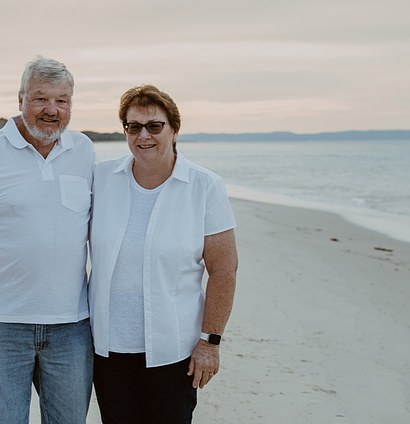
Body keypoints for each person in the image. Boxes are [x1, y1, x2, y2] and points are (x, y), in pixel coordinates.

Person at [0, 57, 95, 424]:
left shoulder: (85, 152)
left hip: (72, 328)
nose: (52, 110)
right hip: (0, 326)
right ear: (20, 99)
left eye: (62, 100)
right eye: (41, 98)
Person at [88, 84, 238, 423]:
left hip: (174, 352)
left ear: (173, 129)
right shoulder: (101, 179)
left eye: (154, 126)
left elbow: (224, 269)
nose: (144, 136)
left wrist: (210, 343)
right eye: (133, 126)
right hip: (108, 351)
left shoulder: (204, 186)